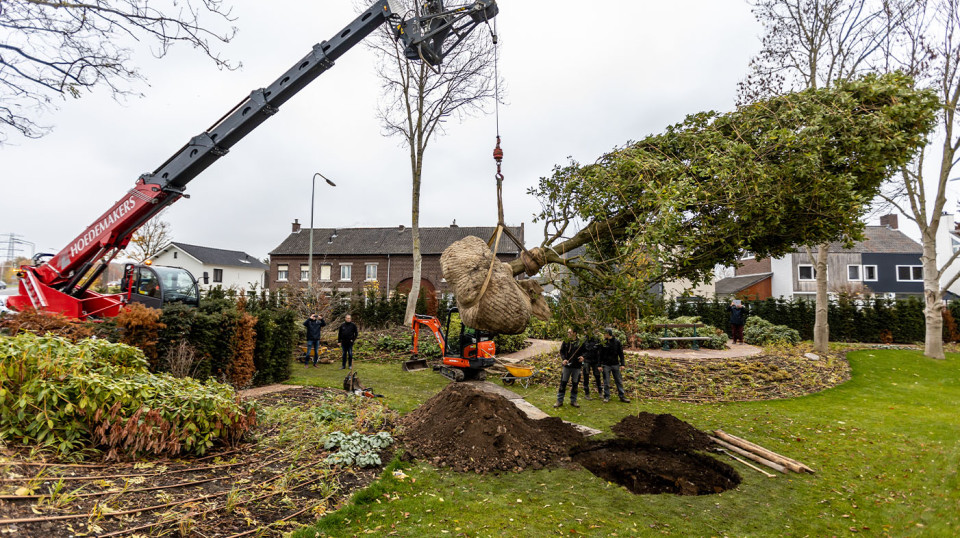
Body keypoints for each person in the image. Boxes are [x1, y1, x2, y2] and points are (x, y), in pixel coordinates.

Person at [554, 328, 584, 408]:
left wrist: (583, 357)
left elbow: (585, 352)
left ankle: (573, 401)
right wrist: (564, 359)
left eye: (569, 332)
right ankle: (559, 401)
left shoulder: (580, 342)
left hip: (576, 366)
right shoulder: (566, 341)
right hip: (567, 366)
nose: (568, 334)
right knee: (563, 383)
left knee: (575, 384)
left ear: (574, 333)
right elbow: (562, 351)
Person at [600, 328, 630, 403]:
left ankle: (622, 396)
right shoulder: (603, 342)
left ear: (608, 334)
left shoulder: (617, 342)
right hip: (606, 365)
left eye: (605, 333)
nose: (604, 335)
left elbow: (621, 354)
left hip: (615, 364)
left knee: (619, 381)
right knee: (606, 381)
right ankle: (607, 396)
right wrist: (599, 365)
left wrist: (622, 364)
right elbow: (600, 354)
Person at [580, 335, 602, 400]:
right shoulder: (583, 340)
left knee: (597, 376)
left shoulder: (597, 339)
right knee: (586, 376)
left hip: (595, 360)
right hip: (586, 360)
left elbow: (600, 350)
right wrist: (582, 357)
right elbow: (580, 350)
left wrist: (600, 362)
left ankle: (600, 392)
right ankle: (587, 393)